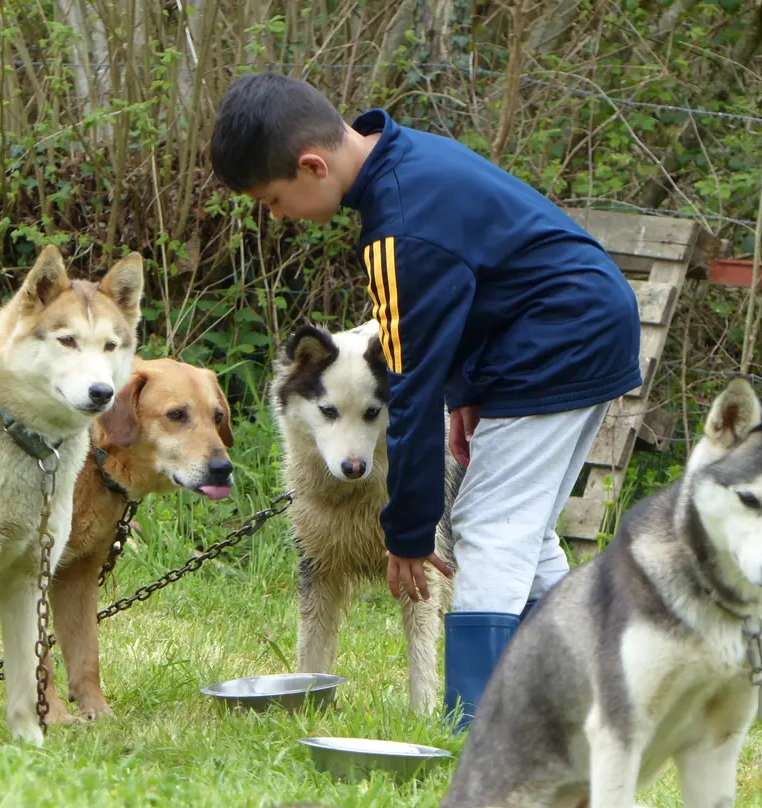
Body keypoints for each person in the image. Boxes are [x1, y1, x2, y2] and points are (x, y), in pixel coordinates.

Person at [209, 73, 641, 729]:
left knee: (487, 532)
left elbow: (408, 388)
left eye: (272, 200)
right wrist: (470, 394)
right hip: (572, 328)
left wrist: (406, 533)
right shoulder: (403, 161)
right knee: (521, 531)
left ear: (312, 166)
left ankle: (476, 730)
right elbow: (472, 297)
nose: (275, 215)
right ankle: (586, 698)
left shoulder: (398, 231)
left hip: (560, 338)